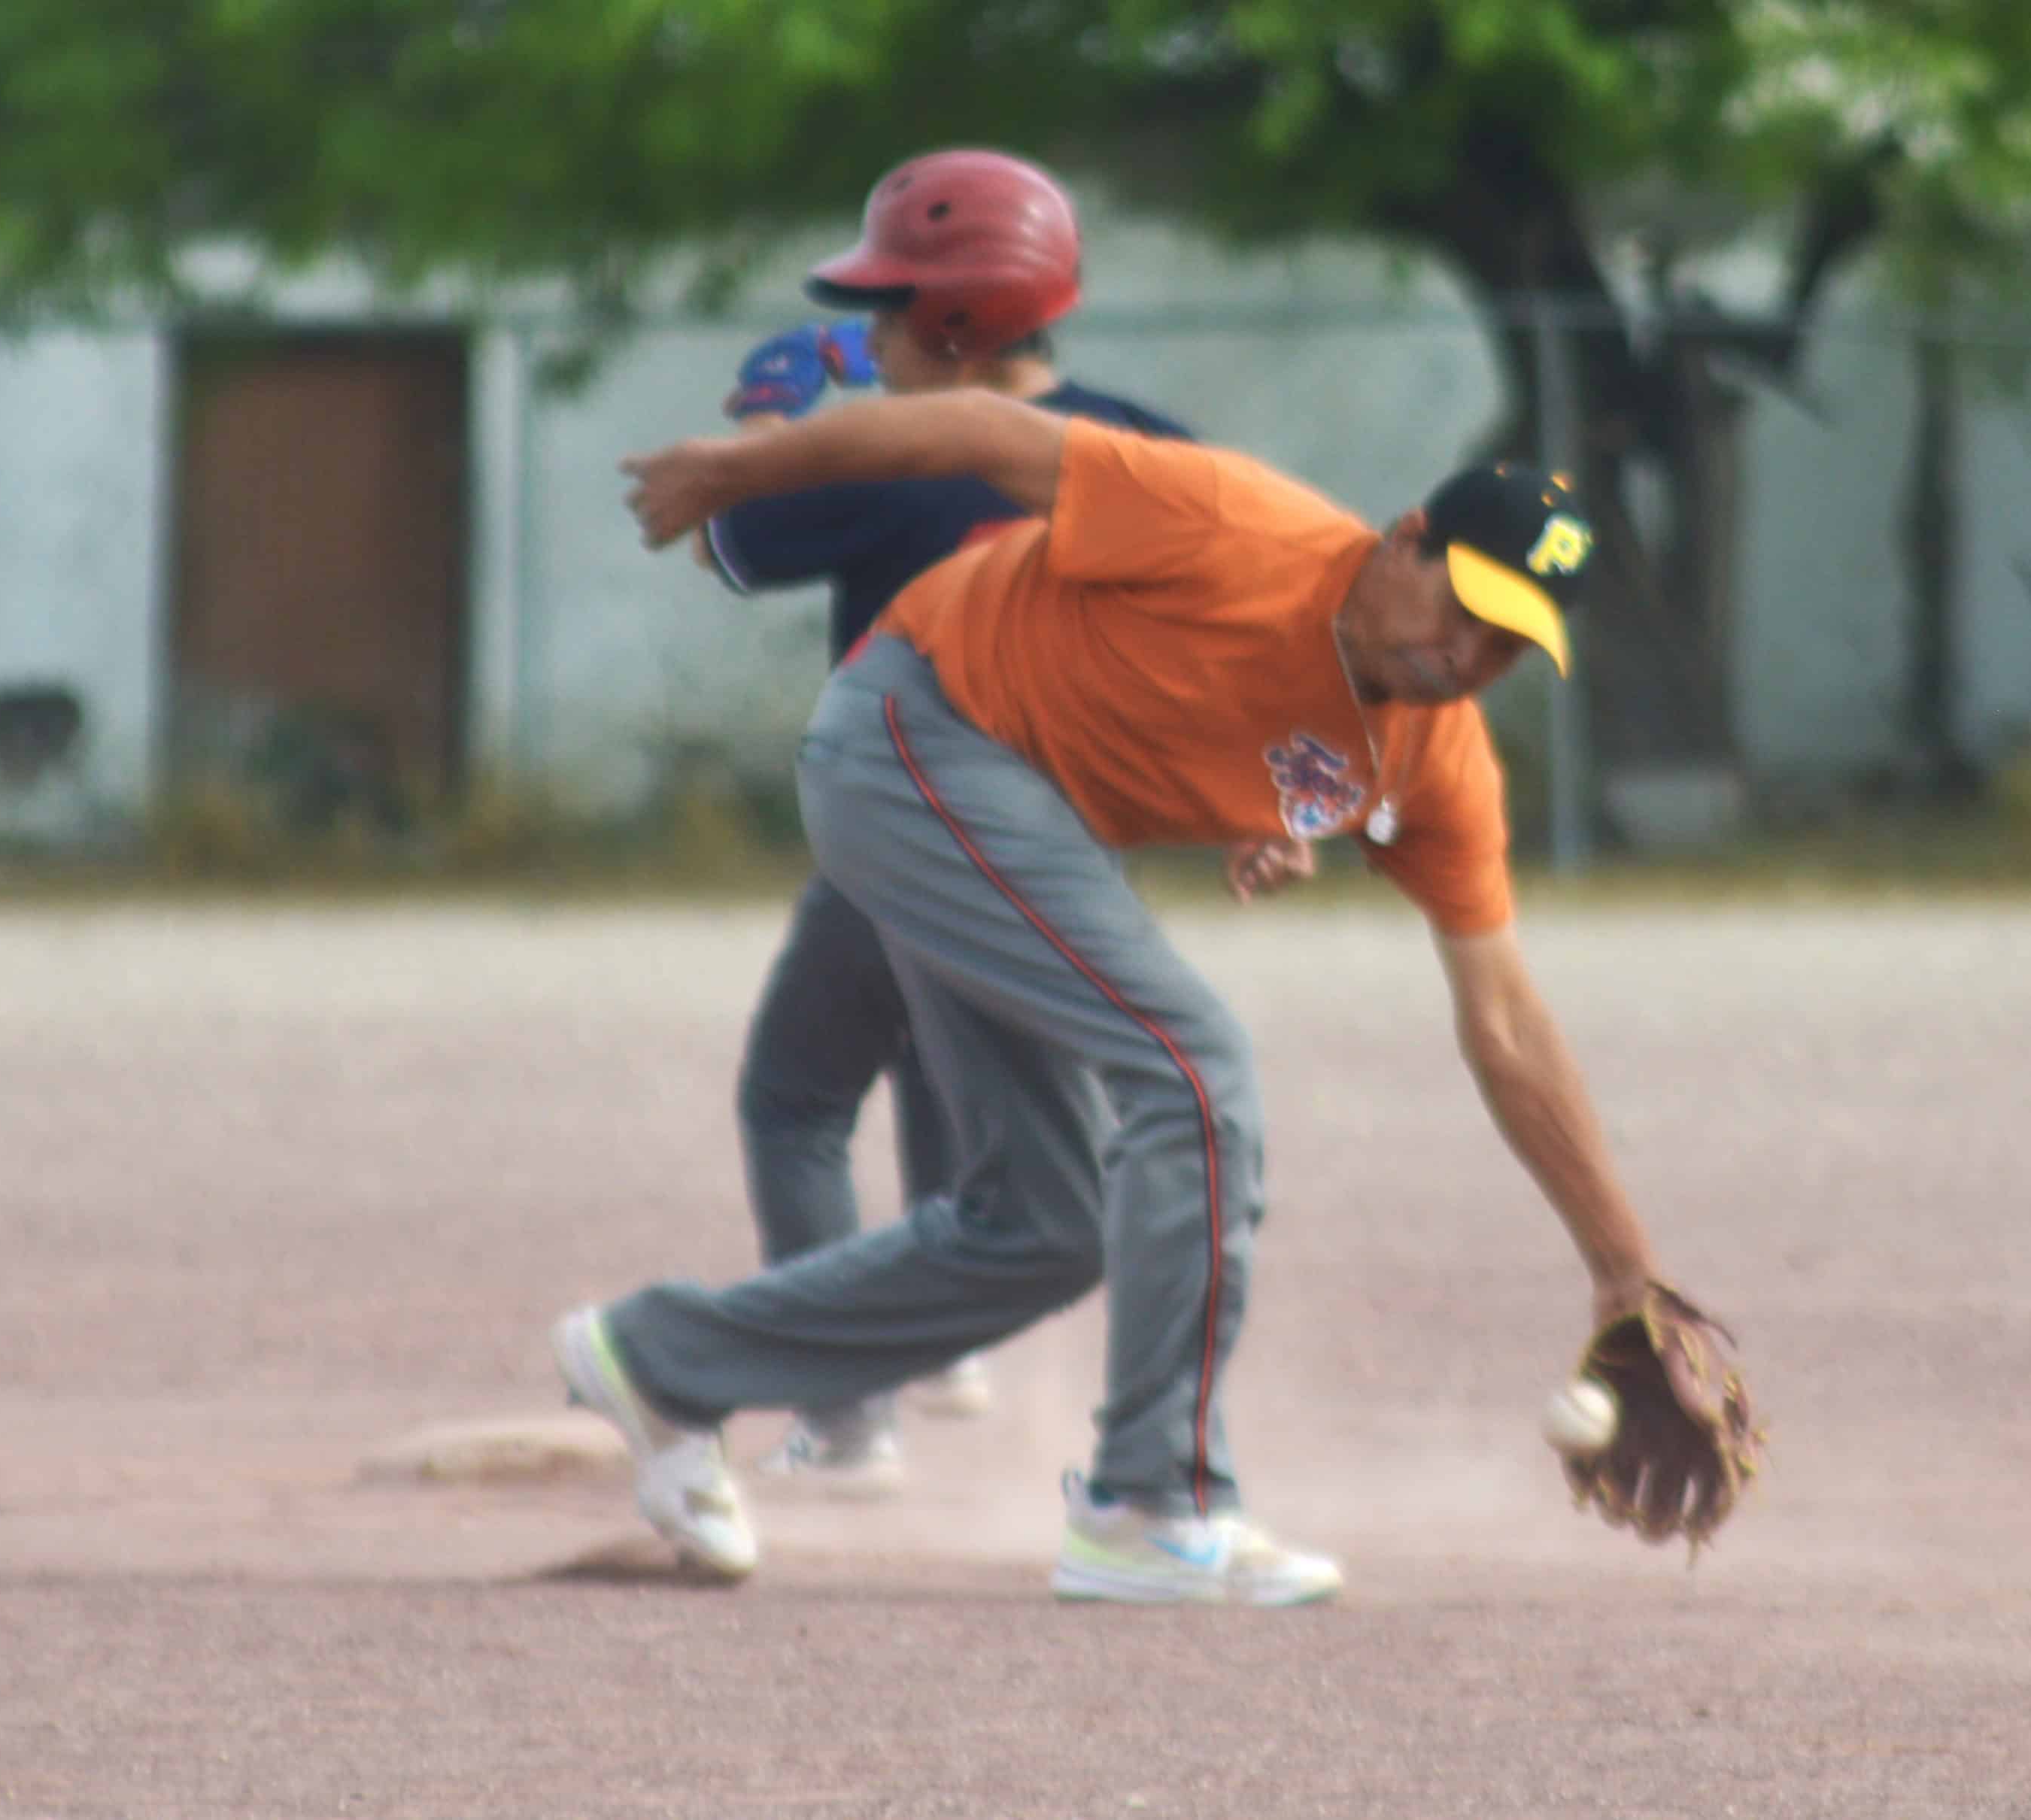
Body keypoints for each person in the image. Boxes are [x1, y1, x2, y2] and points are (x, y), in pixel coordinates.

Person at [558, 387, 1689, 1605]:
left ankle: (664, 1361)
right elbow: (974, 431)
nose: (1471, 655)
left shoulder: (1433, 755)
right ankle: (1153, 1502)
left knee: (1046, 1226)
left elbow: (1507, 1022)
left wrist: (1627, 1275)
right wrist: (740, 469)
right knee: (1194, 1072)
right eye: (1468, 607)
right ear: (1405, 540)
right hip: (918, 734)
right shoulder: (1233, 526)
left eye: (1513, 644)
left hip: (1012, 814)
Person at [682, 148, 1207, 1499]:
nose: (867, 333)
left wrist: (768, 435)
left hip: (914, 822)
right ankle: (944, 1356)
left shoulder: (878, 463)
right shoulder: (1149, 448)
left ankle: (849, 1411)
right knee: (947, 1057)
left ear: (960, 326)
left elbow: (722, 545)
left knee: (794, 1099)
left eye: (892, 306)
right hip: (1074, 852)